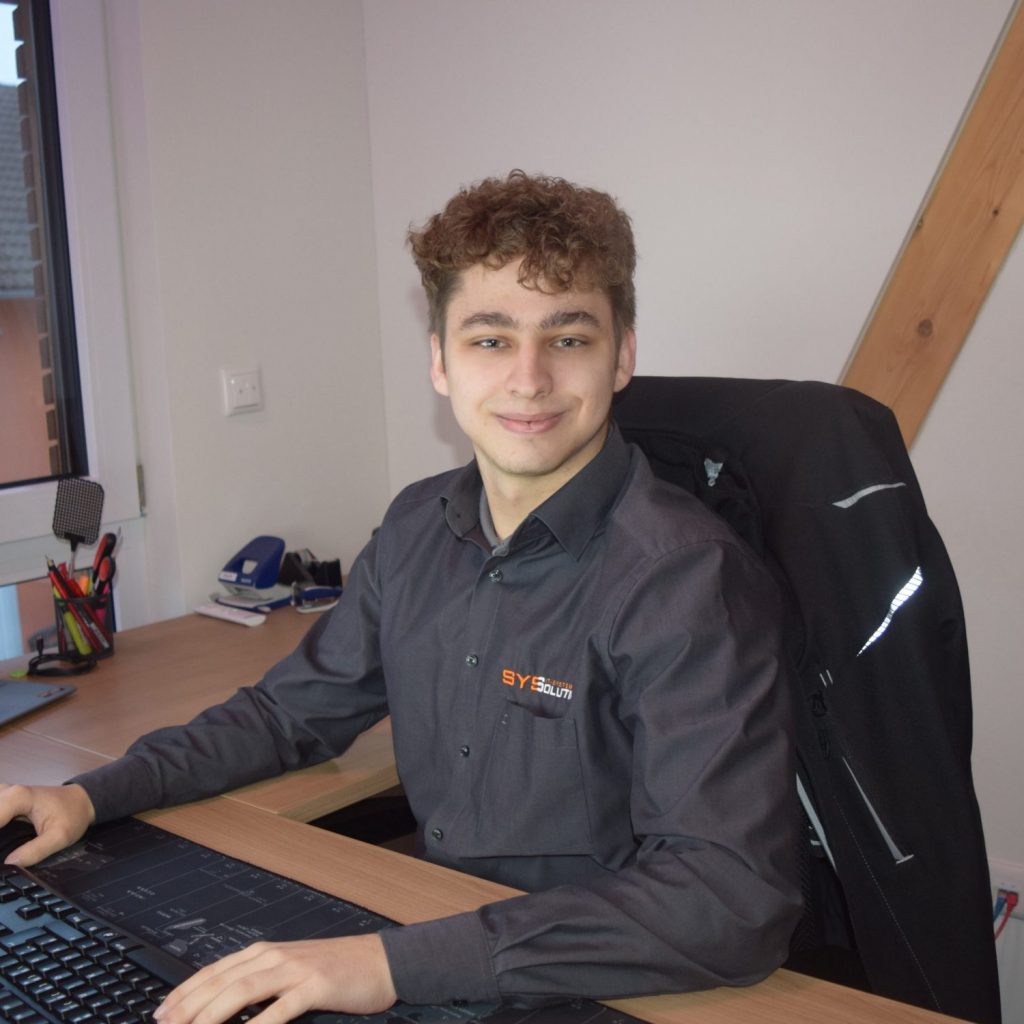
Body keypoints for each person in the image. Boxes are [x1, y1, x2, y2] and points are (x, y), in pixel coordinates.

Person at [0, 170, 801, 1023]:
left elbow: (728, 897)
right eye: (490, 340)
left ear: (623, 355)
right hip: (433, 932)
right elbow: (288, 715)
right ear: (440, 363)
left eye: (568, 338)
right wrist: (92, 795)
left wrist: (392, 963)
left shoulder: (686, 579)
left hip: (590, 977)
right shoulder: (418, 526)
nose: (529, 378)